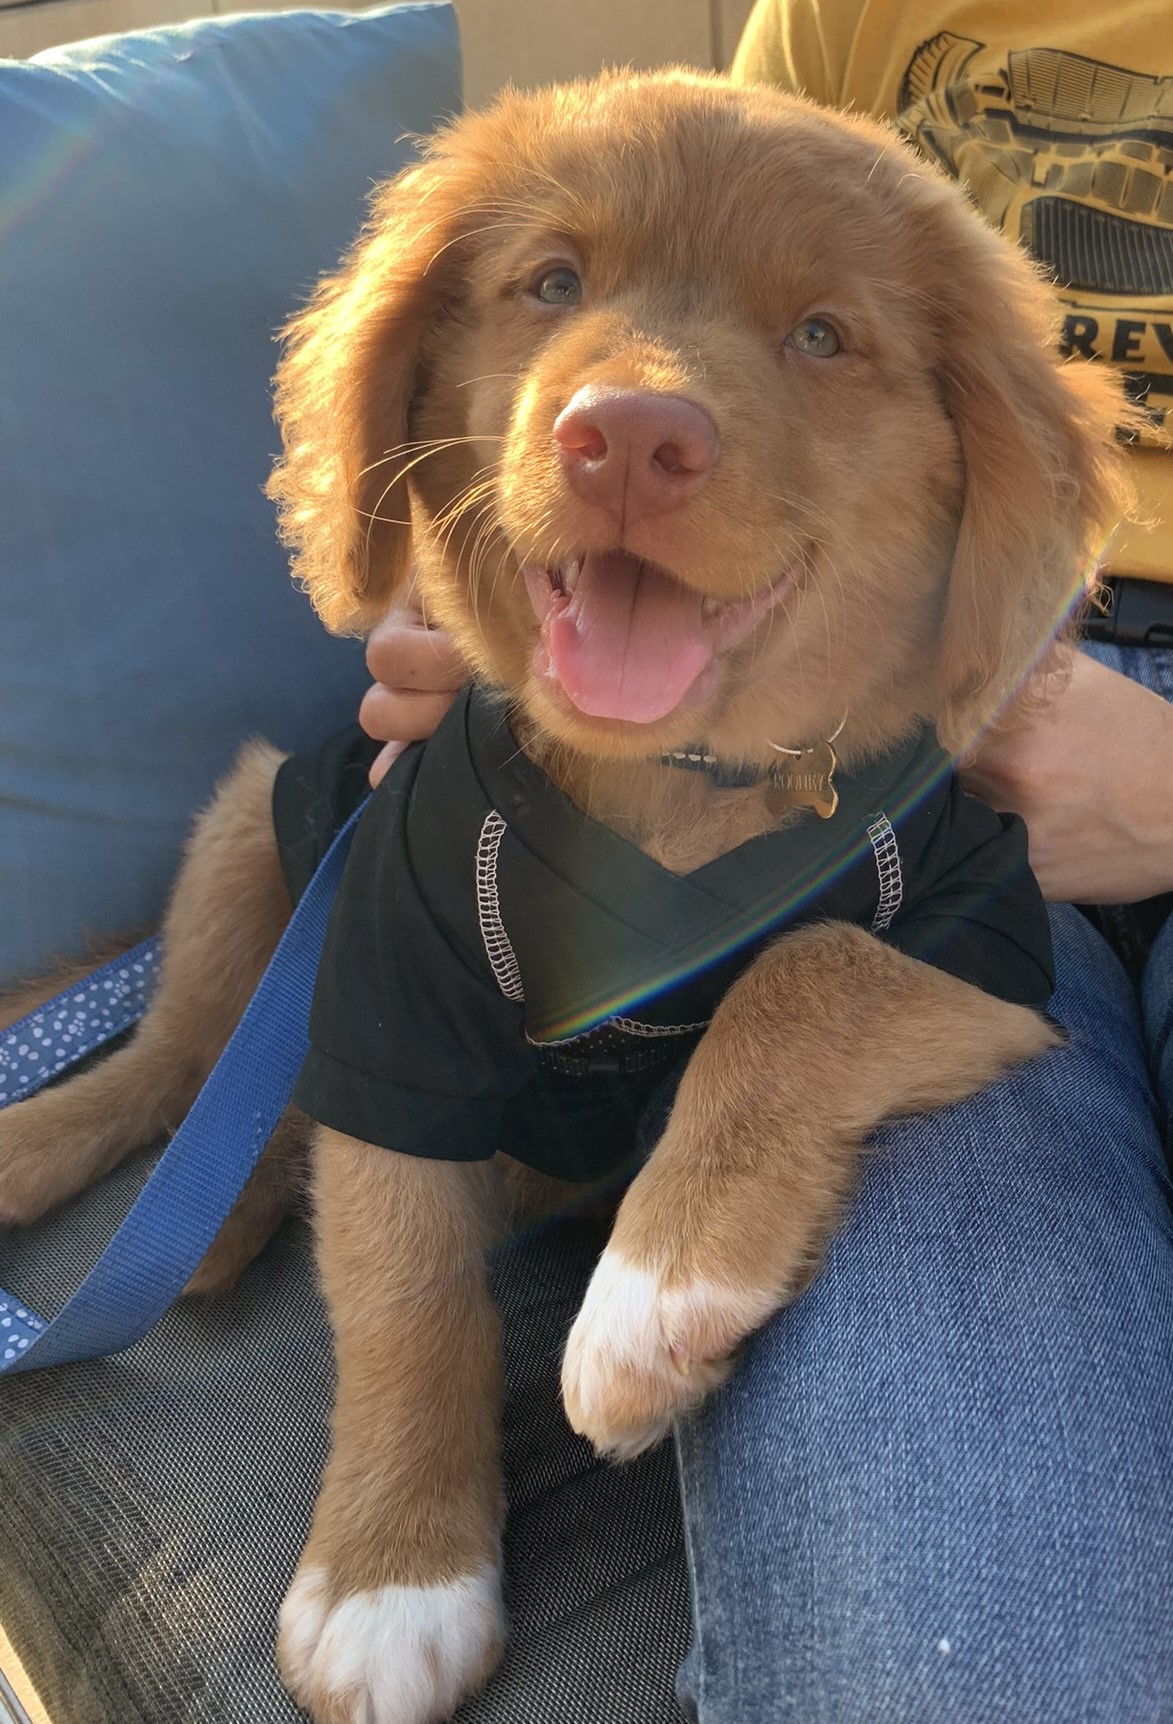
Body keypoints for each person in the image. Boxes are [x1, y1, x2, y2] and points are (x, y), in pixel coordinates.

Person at [359, 3, 1173, 1716]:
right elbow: (684, 247)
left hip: (1017, 670)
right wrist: (498, 591)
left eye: (825, 329)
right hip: (894, 717)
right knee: (950, 1661)